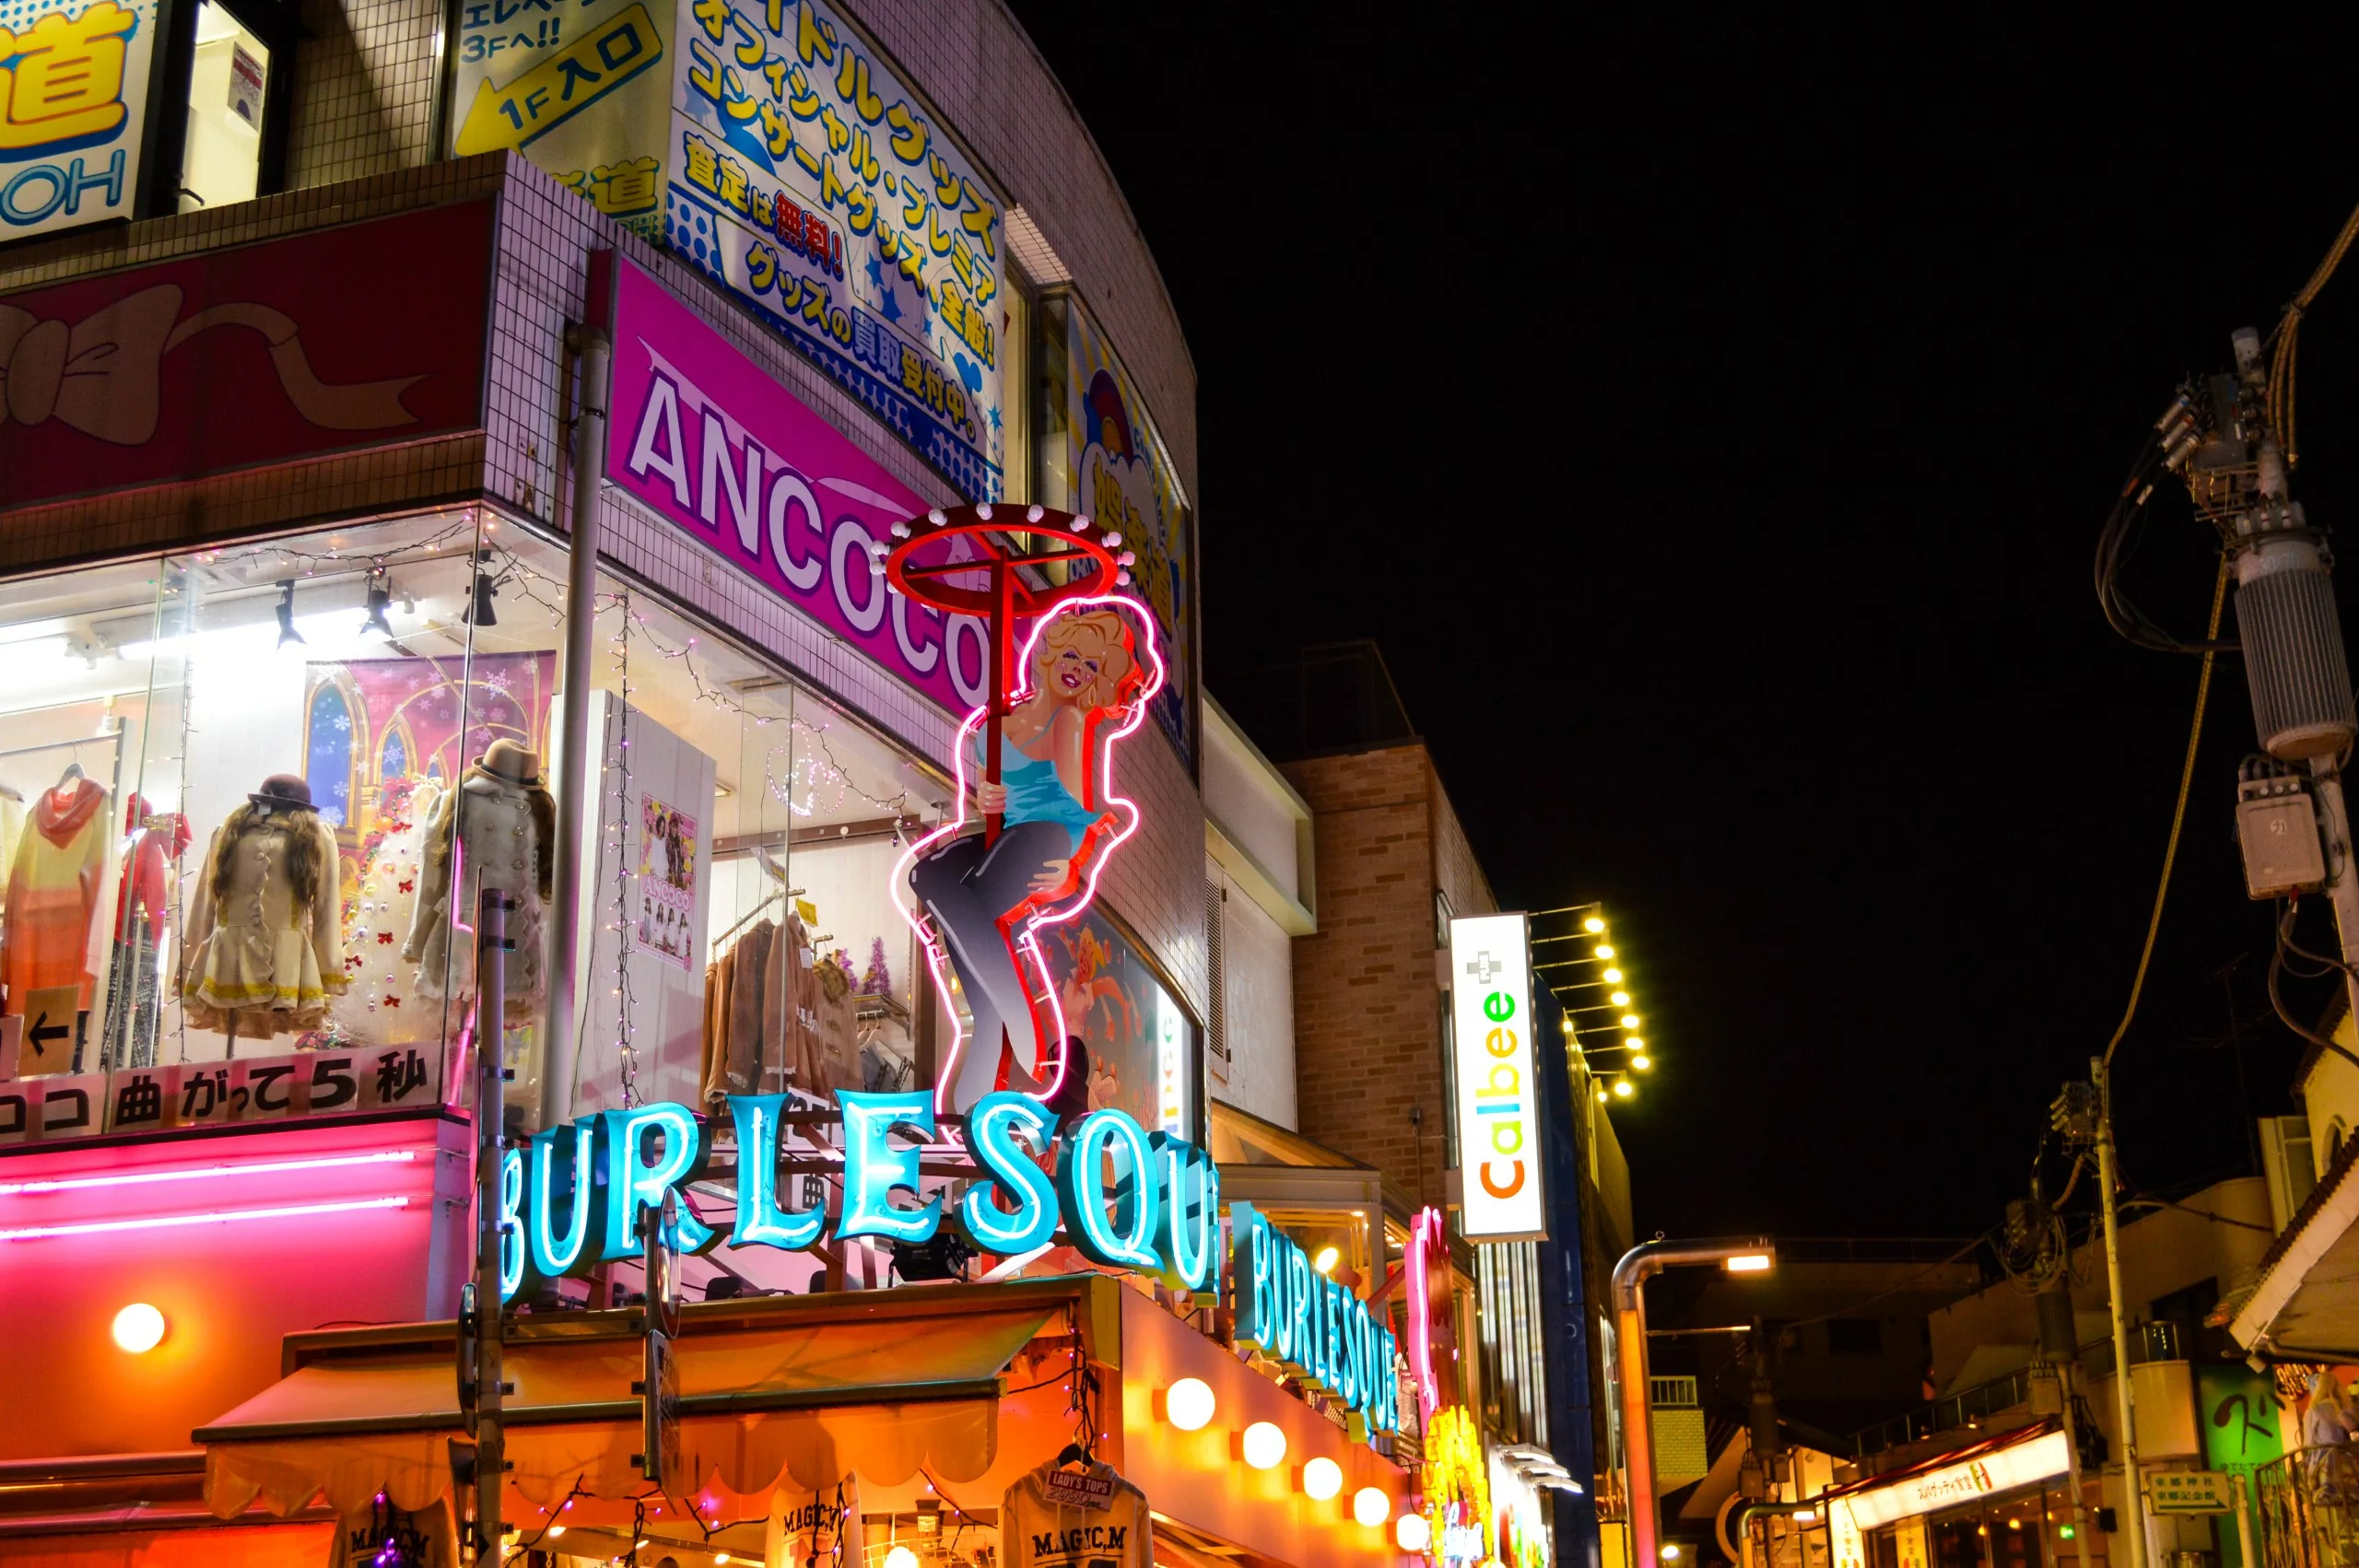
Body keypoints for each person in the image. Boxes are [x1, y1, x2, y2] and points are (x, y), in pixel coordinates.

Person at [908, 602, 1155, 1117]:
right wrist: (985, 802)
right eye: (1071, 655)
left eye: (1090, 667)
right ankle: (1007, 1026)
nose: (1077, 671)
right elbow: (991, 798)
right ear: (1048, 654)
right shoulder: (994, 726)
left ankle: (1009, 1037)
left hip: (1046, 840)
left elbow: (1071, 809)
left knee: (966, 908)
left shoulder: (1069, 720)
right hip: (1007, 837)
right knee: (928, 874)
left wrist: (1072, 872)